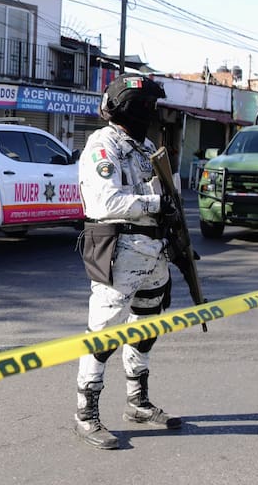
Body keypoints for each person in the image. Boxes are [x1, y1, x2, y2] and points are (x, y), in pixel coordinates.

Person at [74, 74, 181, 449]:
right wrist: (157, 204)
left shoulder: (146, 146)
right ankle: (86, 414)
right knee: (103, 335)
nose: (153, 113)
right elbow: (104, 202)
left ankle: (138, 402)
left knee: (146, 328)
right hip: (120, 251)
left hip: (153, 252)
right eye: (148, 107)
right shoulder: (103, 145)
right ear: (130, 109)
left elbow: (165, 193)